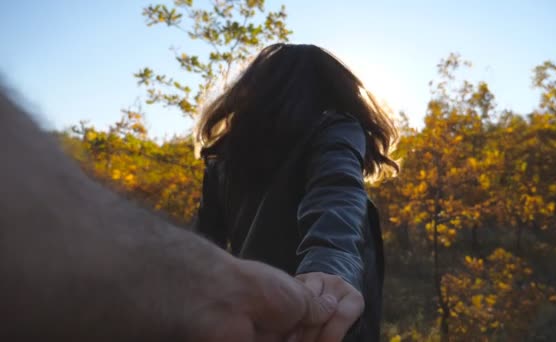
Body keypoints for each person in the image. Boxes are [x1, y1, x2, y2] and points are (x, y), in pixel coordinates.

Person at [0, 86, 338, 341]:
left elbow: (206, 239)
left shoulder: (227, 151)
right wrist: (327, 277)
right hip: (316, 319)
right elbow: (339, 195)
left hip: (250, 316)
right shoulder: (332, 126)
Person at [194, 43, 399, 342]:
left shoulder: (224, 157)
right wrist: (331, 268)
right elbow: (338, 191)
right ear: (332, 88)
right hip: (322, 319)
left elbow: (202, 248)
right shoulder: (336, 126)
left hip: (260, 318)